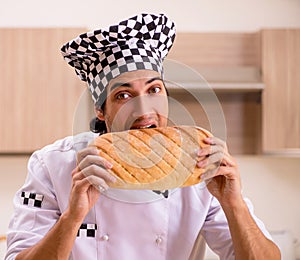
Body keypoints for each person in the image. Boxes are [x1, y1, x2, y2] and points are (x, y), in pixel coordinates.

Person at [5, 13, 280, 260]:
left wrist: (234, 204)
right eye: (123, 95)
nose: (144, 110)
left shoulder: (200, 167)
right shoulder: (52, 166)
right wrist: (72, 217)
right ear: (101, 110)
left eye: (154, 90)